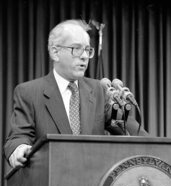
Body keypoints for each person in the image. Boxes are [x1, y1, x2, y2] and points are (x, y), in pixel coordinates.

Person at [4, 19, 148, 169]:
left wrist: (154, 146)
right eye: (76, 49)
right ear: (55, 52)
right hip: (51, 181)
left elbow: (128, 129)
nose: (84, 56)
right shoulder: (29, 92)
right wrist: (19, 149)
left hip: (94, 183)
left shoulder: (99, 90)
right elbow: (18, 137)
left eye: (87, 50)